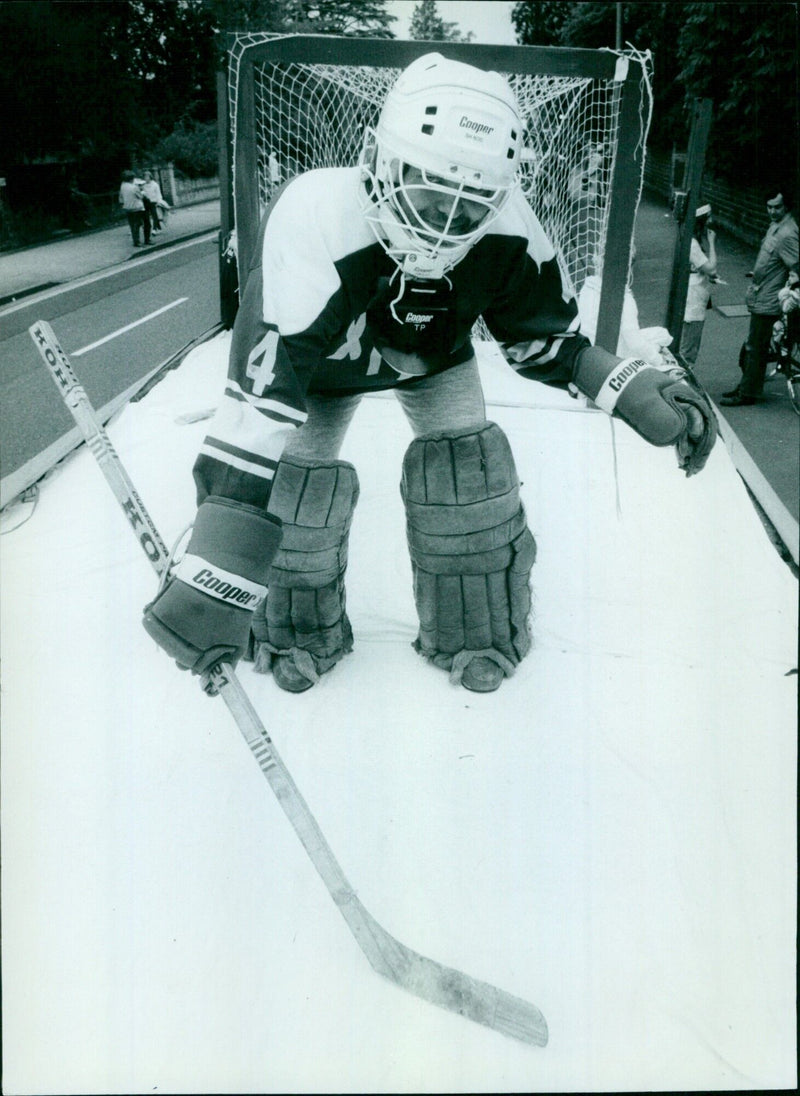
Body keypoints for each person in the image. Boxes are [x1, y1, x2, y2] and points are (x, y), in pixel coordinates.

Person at [142, 53, 717, 696]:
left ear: (500, 193)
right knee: (293, 492)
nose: (443, 224)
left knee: (466, 481)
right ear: (374, 157)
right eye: (429, 191)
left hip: (432, 356)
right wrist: (215, 570)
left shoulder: (511, 228)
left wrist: (629, 385)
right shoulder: (316, 216)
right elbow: (260, 406)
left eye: (471, 205)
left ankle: (473, 628)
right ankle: (295, 628)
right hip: (324, 370)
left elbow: (543, 339)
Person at [720, 184, 799, 406]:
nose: (772, 211)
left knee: (755, 347)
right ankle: (748, 385)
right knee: (754, 346)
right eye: (769, 207)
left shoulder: (787, 233)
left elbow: (797, 265)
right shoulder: (775, 226)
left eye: (777, 207)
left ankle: (748, 393)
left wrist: (791, 293)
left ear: (786, 206)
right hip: (760, 294)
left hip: (771, 299)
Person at [680, 204, 718, 368]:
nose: (711, 220)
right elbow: (711, 268)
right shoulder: (693, 244)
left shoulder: (692, 240)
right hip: (693, 300)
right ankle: (685, 381)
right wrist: (712, 243)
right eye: (708, 217)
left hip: (696, 296)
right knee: (689, 347)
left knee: (691, 343)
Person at [119, 170, 150, 247]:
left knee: (133, 225)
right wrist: (142, 191)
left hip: (128, 208)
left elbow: (121, 198)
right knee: (145, 224)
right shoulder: (134, 187)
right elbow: (141, 196)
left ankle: (136, 241)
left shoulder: (122, 186)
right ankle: (146, 240)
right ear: (131, 179)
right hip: (137, 208)